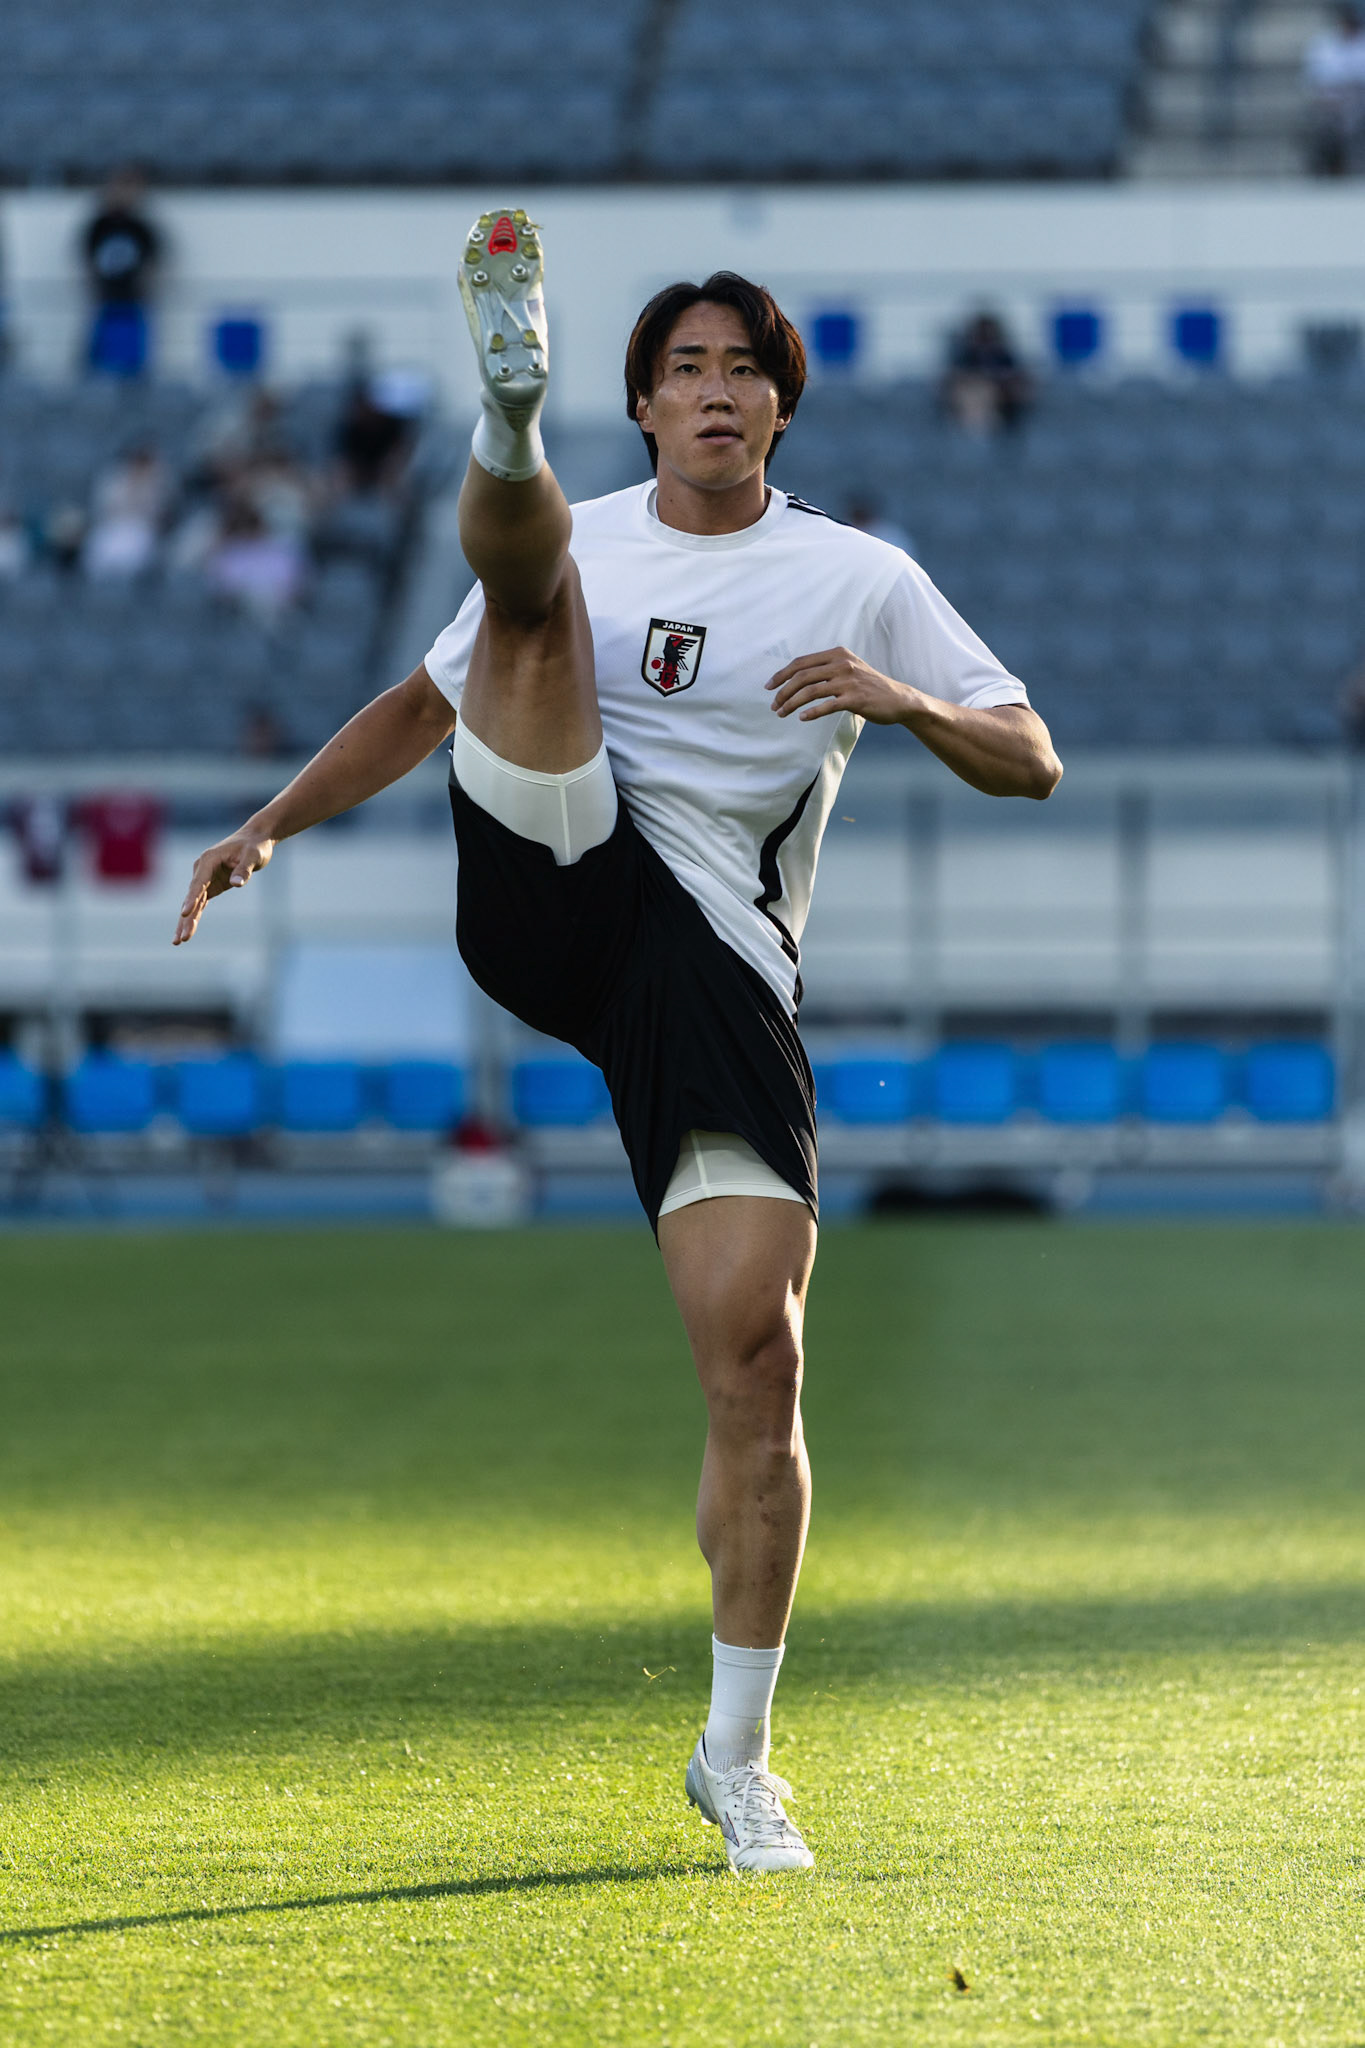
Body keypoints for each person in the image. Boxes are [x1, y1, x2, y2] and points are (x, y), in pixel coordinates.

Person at [173, 212, 1061, 1875]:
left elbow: (1033, 756)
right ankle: (506, 410)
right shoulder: (601, 542)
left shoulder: (860, 574)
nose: (716, 392)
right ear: (643, 406)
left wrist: (902, 697)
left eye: (742, 371)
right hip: (551, 873)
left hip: (714, 978)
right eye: (683, 370)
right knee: (535, 603)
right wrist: (272, 824)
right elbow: (415, 707)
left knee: (758, 1364)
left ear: (780, 409)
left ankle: (739, 1759)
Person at [82, 168, 162, 377]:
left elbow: (152, 263)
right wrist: (94, 290)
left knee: (132, 365)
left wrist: (146, 290)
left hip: (133, 302)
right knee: (97, 360)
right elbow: (88, 261)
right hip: (105, 300)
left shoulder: (141, 228)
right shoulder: (99, 225)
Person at [941, 309, 1033, 435]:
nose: (986, 340)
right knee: (975, 391)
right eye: (982, 335)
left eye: (989, 336)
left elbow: (1017, 377)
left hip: (1002, 403)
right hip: (972, 400)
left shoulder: (1004, 356)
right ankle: (977, 427)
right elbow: (954, 378)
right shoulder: (965, 356)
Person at [1306, 3, 1365, 174]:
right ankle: (1329, 164)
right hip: (1330, 101)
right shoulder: (1324, 44)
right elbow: (1316, 78)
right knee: (1324, 120)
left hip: (1358, 99)